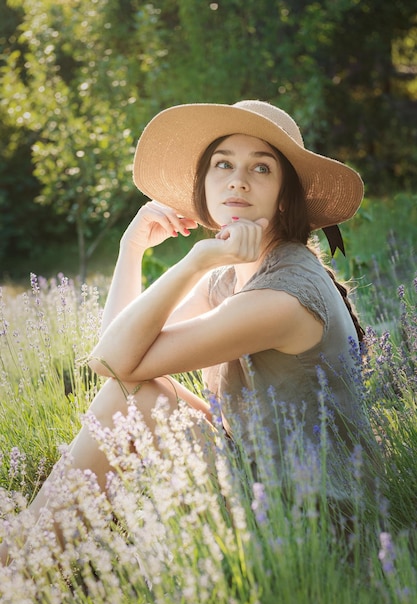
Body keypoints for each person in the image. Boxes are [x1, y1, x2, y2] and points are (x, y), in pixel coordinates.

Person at [0, 100, 377, 565]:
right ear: (205, 183)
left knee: (135, 392)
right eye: (224, 164)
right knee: (135, 390)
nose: (238, 179)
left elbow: (111, 364)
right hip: (261, 477)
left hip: (309, 519)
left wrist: (193, 260)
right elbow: (118, 354)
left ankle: (18, 557)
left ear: (284, 195)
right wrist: (131, 248)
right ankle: (23, 548)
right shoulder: (234, 273)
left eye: (261, 167)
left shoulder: (282, 297)